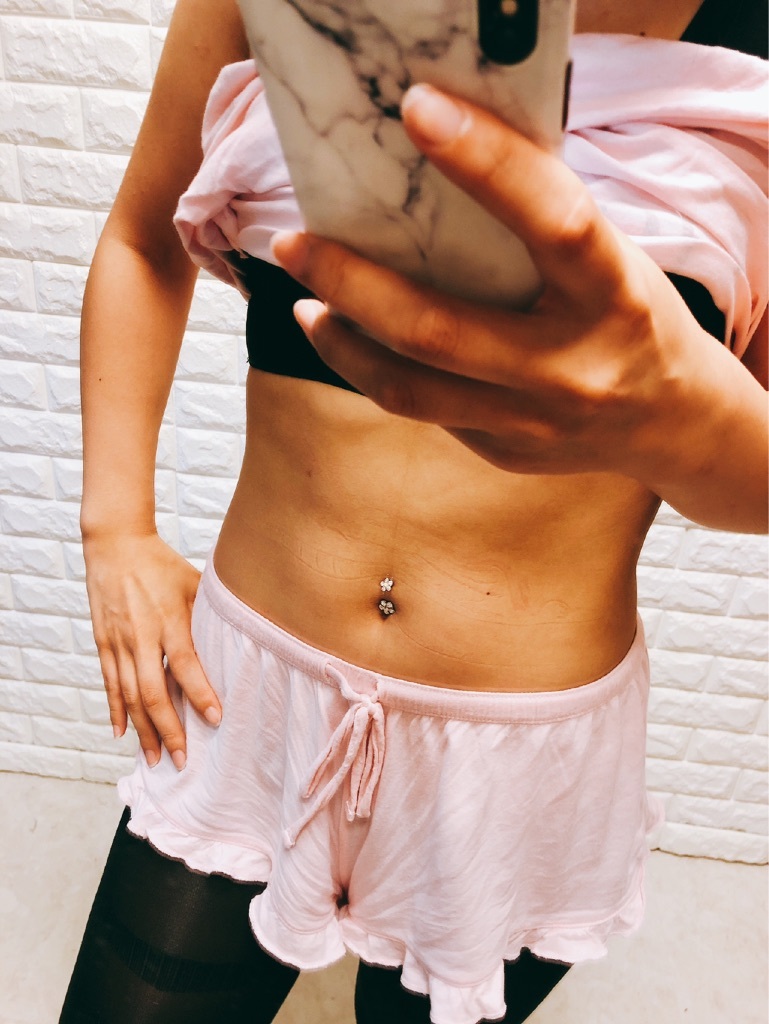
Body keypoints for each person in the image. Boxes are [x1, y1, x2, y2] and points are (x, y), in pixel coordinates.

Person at [60, 0, 768, 1021]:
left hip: (523, 763)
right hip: (246, 699)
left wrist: (685, 421)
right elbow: (141, 238)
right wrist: (114, 529)